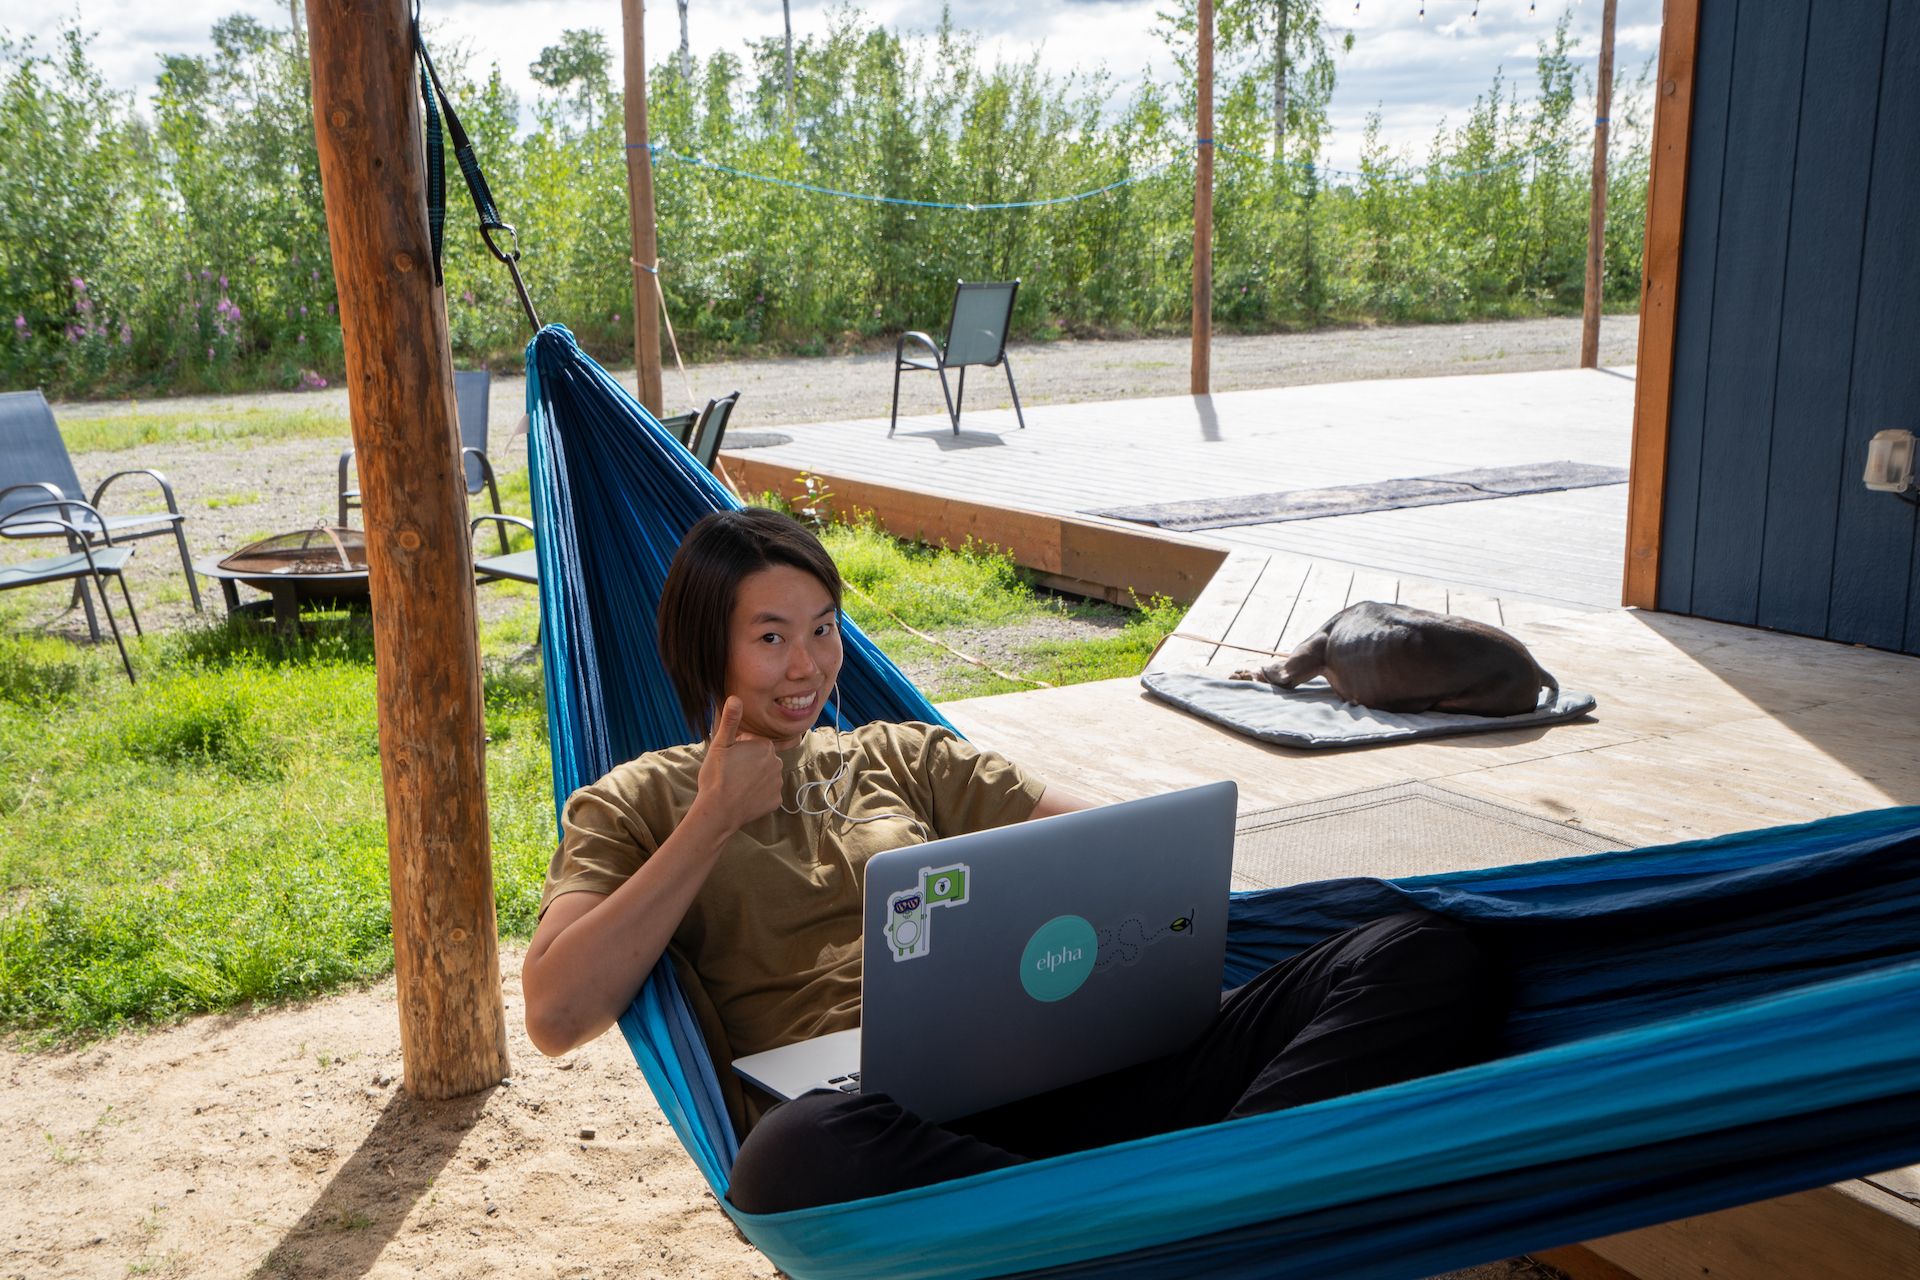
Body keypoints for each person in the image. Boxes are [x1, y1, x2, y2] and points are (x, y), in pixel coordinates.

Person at [523, 507, 1504, 1214]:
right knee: (789, 1160)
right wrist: (709, 823)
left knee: (1420, 952)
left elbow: (1128, 859)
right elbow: (556, 1012)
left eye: (822, 629)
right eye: (771, 636)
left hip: (1054, 1074)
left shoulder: (899, 754)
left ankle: (1181, 1208)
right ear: (706, 650)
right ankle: (1185, 1210)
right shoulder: (636, 801)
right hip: (890, 1136)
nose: (809, 665)